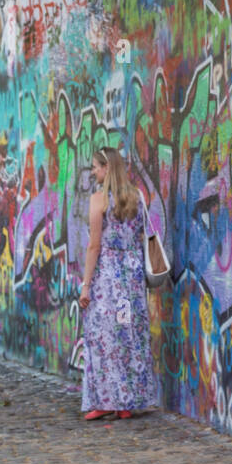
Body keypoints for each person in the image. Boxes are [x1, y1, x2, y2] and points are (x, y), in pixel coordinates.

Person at [80, 146, 159, 420]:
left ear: (106, 168)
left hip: (108, 278)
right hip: (132, 278)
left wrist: (86, 285)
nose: (93, 171)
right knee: (129, 335)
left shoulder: (98, 201)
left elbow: (94, 246)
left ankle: (105, 401)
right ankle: (126, 402)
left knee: (103, 336)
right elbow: (140, 235)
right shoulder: (136, 197)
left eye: (95, 167)